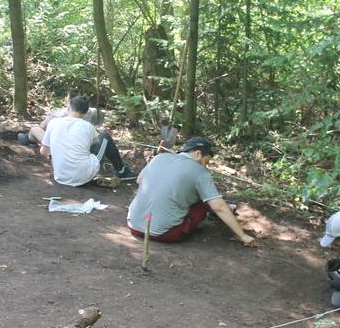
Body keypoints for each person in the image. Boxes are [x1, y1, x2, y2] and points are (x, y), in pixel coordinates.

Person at [126, 137, 256, 246]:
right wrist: (243, 235)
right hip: (163, 234)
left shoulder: (159, 158)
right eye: (206, 161)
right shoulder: (200, 172)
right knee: (203, 202)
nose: (206, 166)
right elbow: (218, 206)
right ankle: (221, 215)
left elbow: (139, 180)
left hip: (133, 225)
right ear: (198, 154)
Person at [40, 96, 137, 186]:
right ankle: (121, 171)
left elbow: (44, 152)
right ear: (86, 113)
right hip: (84, 174)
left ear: (68, 107)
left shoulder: (54, 123)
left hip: (60, 176)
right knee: (105, 136)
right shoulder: (87, 127)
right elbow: (96, 144)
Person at [18, 89, 100, 146]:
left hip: (58, 145)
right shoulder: (88, 112)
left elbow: (42, 126)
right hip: (80, 144)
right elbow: (95, 112)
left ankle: (29, 138)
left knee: (35, 129)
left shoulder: (59, 113)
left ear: (67, 101)